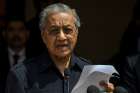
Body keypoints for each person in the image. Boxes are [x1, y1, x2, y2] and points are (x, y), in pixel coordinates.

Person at [6, 3, 114, 93]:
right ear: (43, 36)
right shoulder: (21, 75)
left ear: (76, 33)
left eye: (67, 30)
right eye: (54, 31)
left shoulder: (90, 72)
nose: (62, 37)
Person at [0, 18, 34, 93]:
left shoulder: (37, 59)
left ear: (27, 33)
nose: (16, 34)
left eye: (21, 29)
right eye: (11, 30)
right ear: (4, 33)